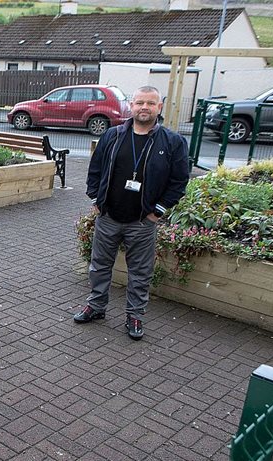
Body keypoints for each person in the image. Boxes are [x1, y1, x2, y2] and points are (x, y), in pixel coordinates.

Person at [74, 86, 189, 340]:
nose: (144, 107)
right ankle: (96, 306)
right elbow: (95, 170)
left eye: (150, 103)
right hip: (109, 217)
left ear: (159, 107)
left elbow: (179, 182)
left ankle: (134, 315)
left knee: (140, 272)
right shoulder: (113, 136)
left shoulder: (172, 142)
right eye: (139, 103)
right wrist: (96, 198)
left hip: (142, 221)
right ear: (131, 106)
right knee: (99, 266)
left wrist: (157, 212)